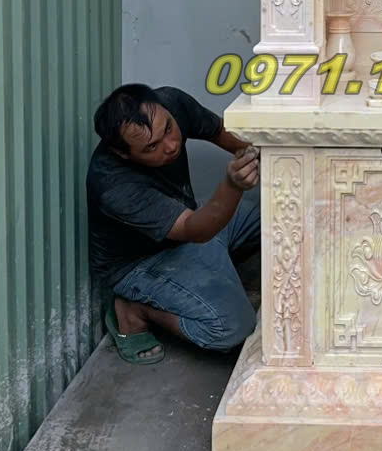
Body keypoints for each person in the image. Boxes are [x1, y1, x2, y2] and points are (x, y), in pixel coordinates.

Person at [86, 82, 261, 365]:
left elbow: (221, 132)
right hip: (142, 262)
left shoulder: (170, 102)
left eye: (168, 129)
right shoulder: (114, 185)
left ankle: (207, 280)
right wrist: (233, 184)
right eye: (151, 147)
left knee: (276, 217)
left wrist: (267, 153)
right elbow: (195, 230)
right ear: (124, 154)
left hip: (189, 226)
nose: (171, 145)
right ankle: (134, 310)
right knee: (232, 328)